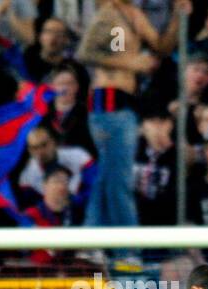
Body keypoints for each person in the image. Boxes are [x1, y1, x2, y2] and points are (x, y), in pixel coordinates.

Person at [76, 0, 188, 269]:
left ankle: (91, 246)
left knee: (108, 176)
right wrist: (131, 63)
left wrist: (177, 15)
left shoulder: (134, 14)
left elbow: (162, 47)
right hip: (108, 101)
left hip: (124, 102)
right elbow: (85, 52)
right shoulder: (108, 12)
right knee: (119, 180)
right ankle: (126, 251)